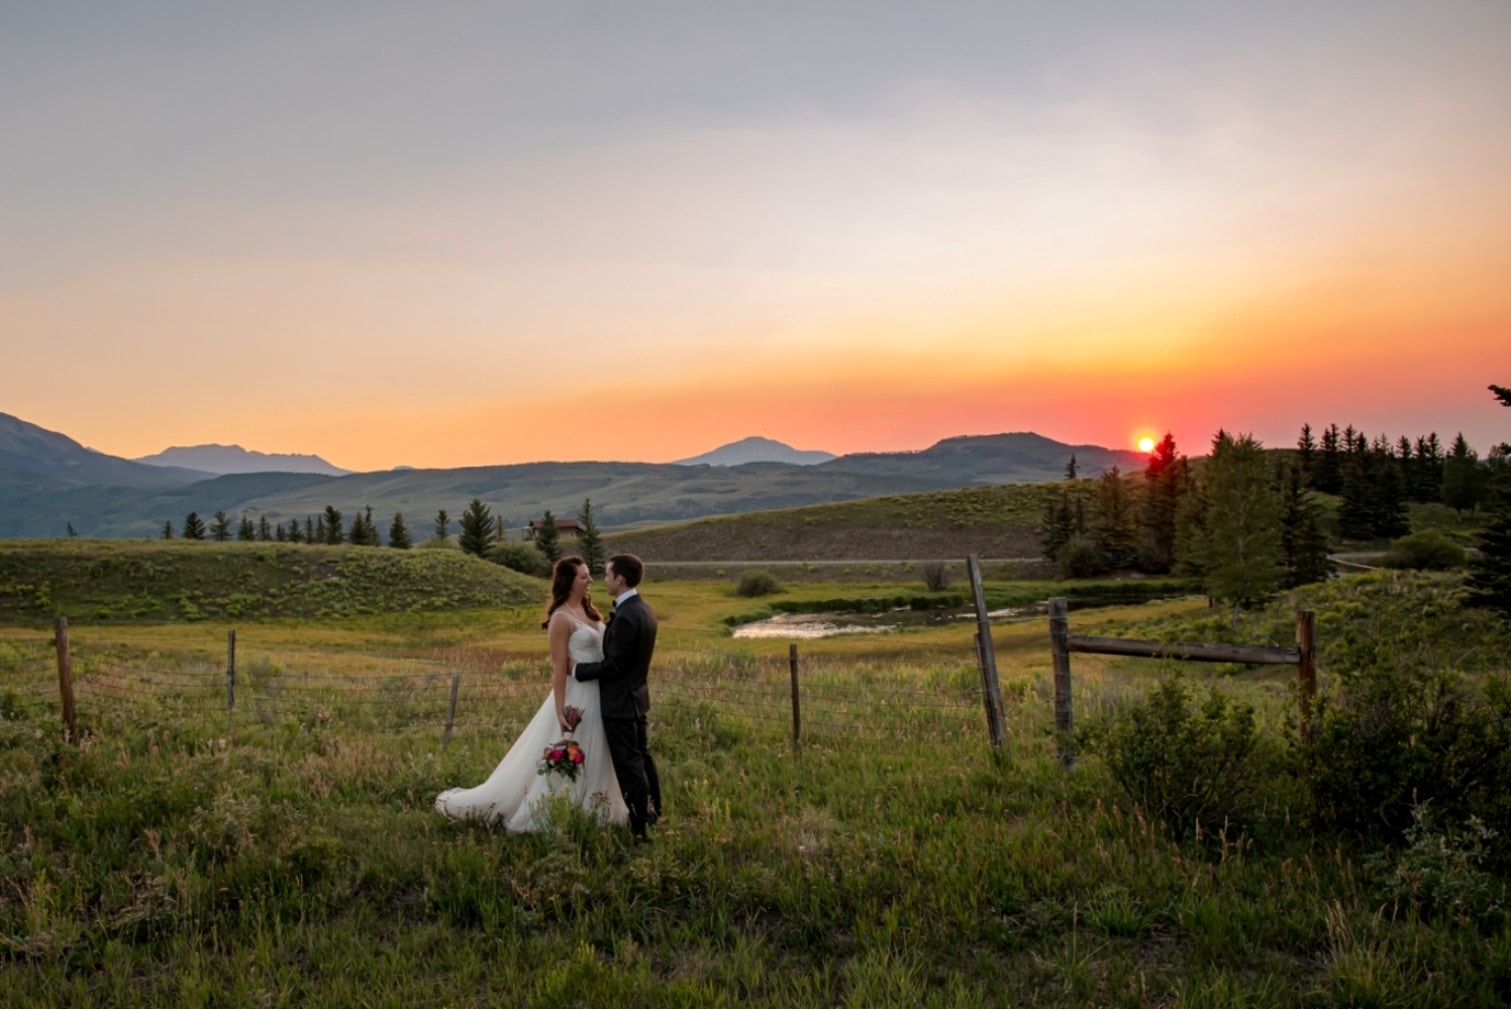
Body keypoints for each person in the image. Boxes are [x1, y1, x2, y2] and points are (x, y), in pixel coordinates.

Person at [433, 556, 627, 831]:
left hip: (599, 694)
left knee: (598, 751)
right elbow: (559, 669)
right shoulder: (561, 618)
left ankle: (598, 806)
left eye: (589, 576)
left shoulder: (589, 611)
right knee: (575, 749)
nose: (590, 580)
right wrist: (560, 710)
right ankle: (558, 808)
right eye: (583, 577)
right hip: (577, 695)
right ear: (569, 582)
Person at [572, 553, 661, 842]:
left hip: (620, 703)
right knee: (643, 759)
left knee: (629, 765)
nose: (604, 579)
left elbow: (614, 666)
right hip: (637, 698)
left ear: (620, 579)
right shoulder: (643, 609)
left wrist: (577, 670)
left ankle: (639, 826)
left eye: (608, 574)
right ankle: (654, 811)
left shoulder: (625, 617)